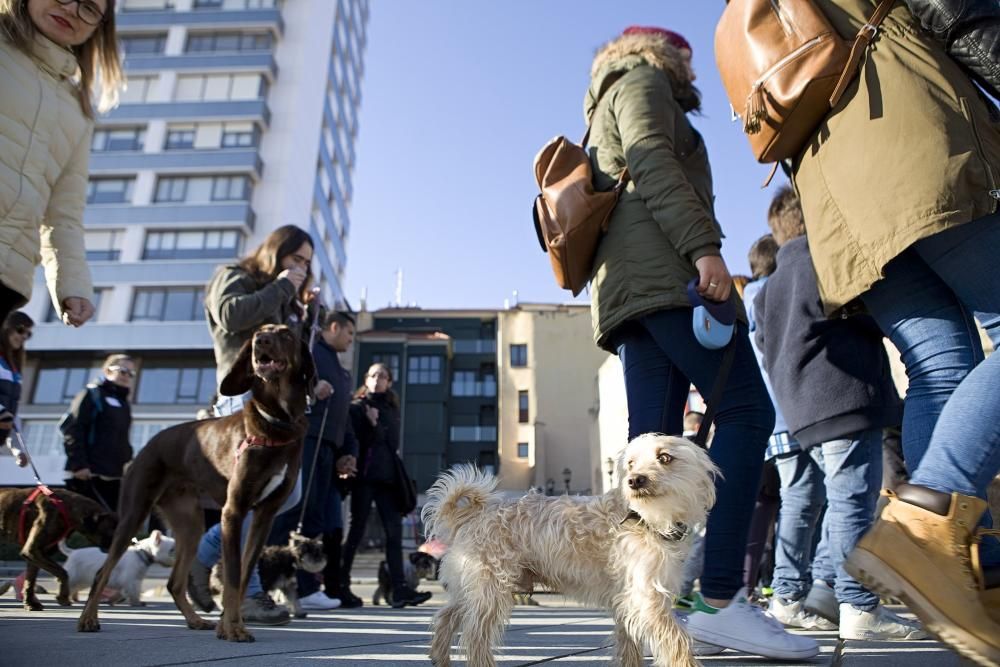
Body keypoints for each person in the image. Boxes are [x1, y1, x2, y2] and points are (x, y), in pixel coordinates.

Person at [583, 26, 814, 659]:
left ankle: (645, 616)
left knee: (648, 455)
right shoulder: (642, 81)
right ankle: (717, 598)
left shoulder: (607, 95)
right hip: (665, 280)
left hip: (632, 294)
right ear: (666, 54)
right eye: (686, 57)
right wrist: (704, 248)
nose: (694, 69)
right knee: (746, 412)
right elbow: (653, 156)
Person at [787, 2, 1000, 661]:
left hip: (835, 197)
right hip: (914, 139)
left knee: (941, 363)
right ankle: (930, 522)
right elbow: (955, 10)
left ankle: (969, 574)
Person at [754, 187, 923, 640]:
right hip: (844, 396)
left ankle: (793, 596)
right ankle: (859, 606)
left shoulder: (768, 288)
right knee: (852, 501)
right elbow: (873, 315)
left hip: (800, 410)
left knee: (813, 502)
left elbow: (766, 347)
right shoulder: (826, 259)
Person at [187, 224, 314, 626]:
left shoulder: (284, 296)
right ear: (277, 253)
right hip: (243, 397)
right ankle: (249, 593)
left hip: (279, 405)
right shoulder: (234, 276)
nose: (301, 268)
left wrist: (303, 315)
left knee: (284, 496)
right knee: (247, 499)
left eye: (307, 264)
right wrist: (281, 289)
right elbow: (230, 316)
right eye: (296, 259)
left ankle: (205, 558)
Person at [0, 0, 124, 326]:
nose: (71, 9)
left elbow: (63, 214)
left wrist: (73, 282)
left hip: (7, 277)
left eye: (88, 7)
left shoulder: (77, 110)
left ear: (101, 26)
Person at [269, 310, 359, 611]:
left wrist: (347, 452)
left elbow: (343, 417)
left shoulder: (339, 368)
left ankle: (305, 588)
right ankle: (263, 578)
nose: (350, 340)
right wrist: (311, 391)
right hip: (304, 441)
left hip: (327, 449)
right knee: (292, 510)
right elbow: (284, 385)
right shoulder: (309, 352)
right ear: (334, 327)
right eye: (349, 333)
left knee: (315, 518)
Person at [340, 363, 431, 609]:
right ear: (366, 380)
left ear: (389, 382)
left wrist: (376, 424)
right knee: (356, 531)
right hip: (365, 479)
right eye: (374, 375)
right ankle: (340, 584)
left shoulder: (392, 408)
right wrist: (371, 423)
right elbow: (358, 442)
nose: (378, 379)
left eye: (383, 376)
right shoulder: (356, 408)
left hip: (389, 481)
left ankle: (400, 588)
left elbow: (390, 443)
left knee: (393, 535)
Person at [62, 354, 134, 513]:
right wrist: (79, 464)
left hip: (115, 477)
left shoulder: (124, 403)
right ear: (107, 371)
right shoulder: (92, 394)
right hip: (88, 475)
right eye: (122, 371)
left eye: (130, 374)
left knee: (113, 527)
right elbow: (72, 428)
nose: (126, 376)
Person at [0, 312, 33, 467]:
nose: (24, 336)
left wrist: (18, 449)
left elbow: (11, 415)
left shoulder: (14, 370)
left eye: (28, 334)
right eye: (20, 330)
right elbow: (4, 414)